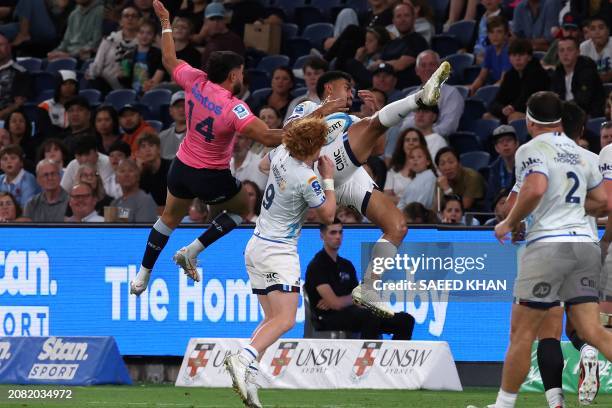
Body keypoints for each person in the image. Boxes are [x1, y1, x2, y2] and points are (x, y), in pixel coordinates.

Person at [129, 0, 287, 297]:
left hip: (181, 167)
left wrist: (166, 22)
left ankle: (143, 274)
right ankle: (192, 250)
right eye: (240, 73)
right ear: (232, 76)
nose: (242, 77)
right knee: (242, 209)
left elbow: (168, 58)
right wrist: (306, 128)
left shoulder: (195, 80)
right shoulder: (233, 107)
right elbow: (267, 137)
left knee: (168, 220)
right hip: (210, 175)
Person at [283, 61, 451, 315]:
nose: (351, 93)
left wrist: (376, 112)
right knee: (372, 124)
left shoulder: (351, 119)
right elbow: (288, 133)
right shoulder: (307, 107)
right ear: (329, 87)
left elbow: (379, 149)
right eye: (346, 88)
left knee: (397, 227)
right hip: (320, 167)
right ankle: (420, 97)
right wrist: (335, 112)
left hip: (349, 174)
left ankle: (369, 287)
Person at [486, 91, 612, 408]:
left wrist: (509, 222)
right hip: (585, 246)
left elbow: (534, 189)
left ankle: (506, 405)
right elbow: (601, 204)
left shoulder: (532, 149)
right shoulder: (585, 155)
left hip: (549, 248)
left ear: (529, 121)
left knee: (525, 332)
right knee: (592, 332)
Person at [224, 117, 337, 408]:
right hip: (279, 250)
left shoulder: (282, 152)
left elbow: (263, 166)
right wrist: (329, 178)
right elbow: (327, 215)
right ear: (314, 146)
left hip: (256, 245)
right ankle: (244, 356)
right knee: (286, 319)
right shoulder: (306, 177)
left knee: (271, 320)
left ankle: (249, 384)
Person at [305, 220, 415, 337]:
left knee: (405, 320)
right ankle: (367, 354)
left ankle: (392, 355)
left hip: (353, 314)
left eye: (340, 232)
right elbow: (335, 304)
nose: (338, 236)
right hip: (327, 318)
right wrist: (350, 299)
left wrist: (348, 300)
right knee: (370, 317)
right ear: (322, 236)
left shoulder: (346, 265)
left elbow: (358, 300)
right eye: (333, 233)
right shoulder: (317, 265)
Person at [393, 50, 464, 138]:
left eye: (432, 65)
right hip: (411, 141)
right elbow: (403, 124)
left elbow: (448, 127)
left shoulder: (452, 93)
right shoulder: (411, 96)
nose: (428, 69)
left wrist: (422, 135)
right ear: (417, 71)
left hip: (436, 141)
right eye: (423, 65)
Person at [487, 38, 550, 123]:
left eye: (521, 55)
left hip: (538, 113)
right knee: (487, 116)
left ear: (529, 57)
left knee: (514, 117)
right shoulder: (510, 75)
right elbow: (496, 100)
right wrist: (502, 109)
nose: (517, 59)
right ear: (509, 58)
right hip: (514, 110)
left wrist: (511, 108)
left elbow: (526, 100)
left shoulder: (537, 73)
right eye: (514, 55)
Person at [85, 6, 139, 92]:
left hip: (131, 85)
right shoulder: (109, 40)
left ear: (138, 21)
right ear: (121, 21)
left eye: (134, 16)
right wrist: (92, 73)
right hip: (105, 84)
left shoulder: (143, 43)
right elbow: (97, 65)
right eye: (126, 16)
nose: (130, 18)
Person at [551, 36, 605, 118]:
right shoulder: (558, 72)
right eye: (561, 50)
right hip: (564, 116)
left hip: (587, 116)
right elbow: (554, 97)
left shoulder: (587, 70)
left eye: (569, 49)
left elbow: (583, 100)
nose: (565, 54)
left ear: (578, 52)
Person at [468, 15, 511, 96]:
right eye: (491, 32)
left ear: (506, 34)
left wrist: (487, 92)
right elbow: (481, 77)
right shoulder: (489, 50)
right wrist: (473, 88)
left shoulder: (508, 51)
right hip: (493, 87)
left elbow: (503, 80)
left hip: (506, 89)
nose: (495, 36)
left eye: (499, 32)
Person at [434, 147, 485, 212]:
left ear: (459, 163)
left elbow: (463, 207)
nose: (447, 167)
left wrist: (447, 189)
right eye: (442, 164)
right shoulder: (441, 181)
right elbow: (436, 209)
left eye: (451, 162)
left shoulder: (472, 177)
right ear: (438, 169)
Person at [121, 19, 164, 93]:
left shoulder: (158, 54)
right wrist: (121, 76)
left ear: (154, 36)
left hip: (150, 91)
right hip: (132, 92)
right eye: (141, 32)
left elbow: (156, 79)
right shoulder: (128, 55)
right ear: (136, 34)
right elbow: (126, 79)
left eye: (149, 33)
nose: (144, 36)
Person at [109, 158, 158, 223]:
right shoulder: (114, 203)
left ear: (138, 176)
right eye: (122, 171)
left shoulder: (145, 200)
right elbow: (108, 230)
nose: (126, 174)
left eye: (131, 171)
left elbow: (143, 231)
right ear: (116, 178)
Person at [199, 2, 245, 67]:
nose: (215, 23)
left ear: (225, 20)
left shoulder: (234, 40)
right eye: (212, 19)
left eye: (219, 19)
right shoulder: (212, 37)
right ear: (205, 21)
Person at [284, 57, 328, 123]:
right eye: (308, 74)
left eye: (316, 73)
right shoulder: (295, 102)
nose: (312, 77)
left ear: (325, 75)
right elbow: (286, 128)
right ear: (304, 76)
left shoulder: (333, 100)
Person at [486, 125, 518, 208]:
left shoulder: (526, 164)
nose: (505, 144)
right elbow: (490, 199)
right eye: (501, 141)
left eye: (509, 140)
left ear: (516, 143)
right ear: (496, 148)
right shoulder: (494, 169)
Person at [136, 132, 170, 208]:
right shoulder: (143, 172)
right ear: (138, 153)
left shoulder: (171, 167)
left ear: (158, 149)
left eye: (151, 145)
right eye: (143, 146)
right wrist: (139, 171)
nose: (147, 149)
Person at [397, 144, 437, 210]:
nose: (415, 159)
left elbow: (421, 203)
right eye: (412, 157)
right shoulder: (416, 179)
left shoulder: (430, 177)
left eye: (419, 157)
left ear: (428, 161)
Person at [0, 33, 30, 120]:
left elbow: (18, 104)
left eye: (0, 45)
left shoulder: (21, 73)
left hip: (6, 120)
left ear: (9, 47)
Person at [580, 15, 612, 83]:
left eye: (601, 28)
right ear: (589, 33)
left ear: (608, 30)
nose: (597, 32)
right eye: (593, 29)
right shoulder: (584, 47)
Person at [159, 91, 186, 160]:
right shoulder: (161, 137)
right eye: (177, 106)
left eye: (185, 105)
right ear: (170, 110)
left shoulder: (199, 135)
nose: (181, 109)